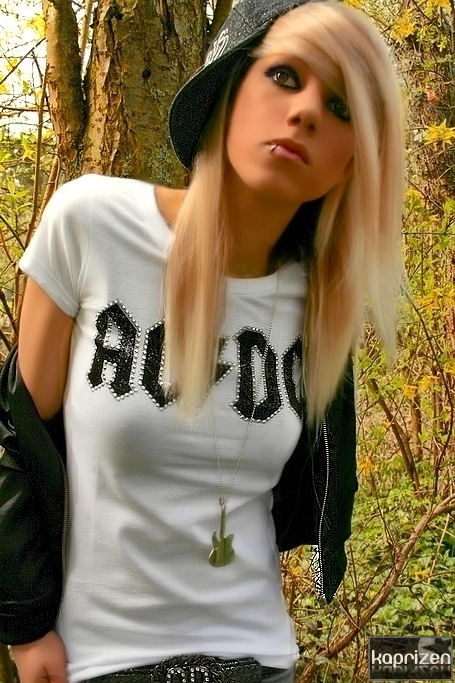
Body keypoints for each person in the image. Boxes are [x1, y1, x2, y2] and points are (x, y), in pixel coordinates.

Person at [0, 1, 404, 682]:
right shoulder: (89, 222)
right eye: (284, 75)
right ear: (228, 89)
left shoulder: (322, 308)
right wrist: (26, 624)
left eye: (341, 107)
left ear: (350, 162)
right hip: (99, 659)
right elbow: (15, 433)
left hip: (257, 659)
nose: (306, 111)